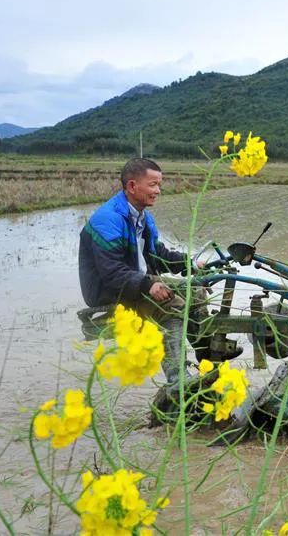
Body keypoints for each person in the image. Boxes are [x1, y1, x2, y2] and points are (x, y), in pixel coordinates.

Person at [79, 158, 204, 384]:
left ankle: (205, 358)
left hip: (138, 280)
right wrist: (148, 284)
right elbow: (112, 272)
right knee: (171, 304)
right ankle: (179, 381)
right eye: (153, 184)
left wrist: (191, 264)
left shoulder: (143, 217)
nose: (158, 191)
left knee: (196, 292)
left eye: (159, 185)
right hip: (110, 289)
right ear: (132, 186)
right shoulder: (108, 219)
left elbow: (158, 254)